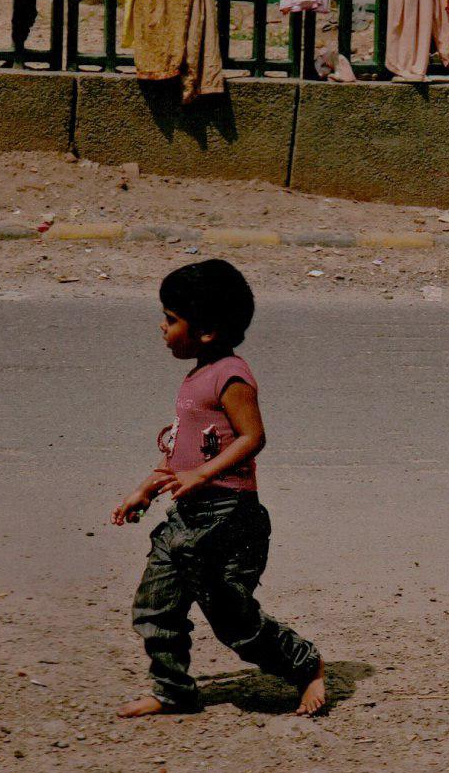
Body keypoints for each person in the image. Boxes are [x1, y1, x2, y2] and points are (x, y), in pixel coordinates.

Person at [111, 260, 326, 717]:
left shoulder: (231, 375)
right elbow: (180, 453)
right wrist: (146, 489)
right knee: (155, 608)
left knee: (234, 623)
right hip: (186, 517)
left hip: (227, 518)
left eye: (171, 319)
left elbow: (253, 437)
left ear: (205, 330)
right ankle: (173, 691)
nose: (162, 327)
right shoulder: (194, 377)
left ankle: (305, 666)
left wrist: (201, 477)